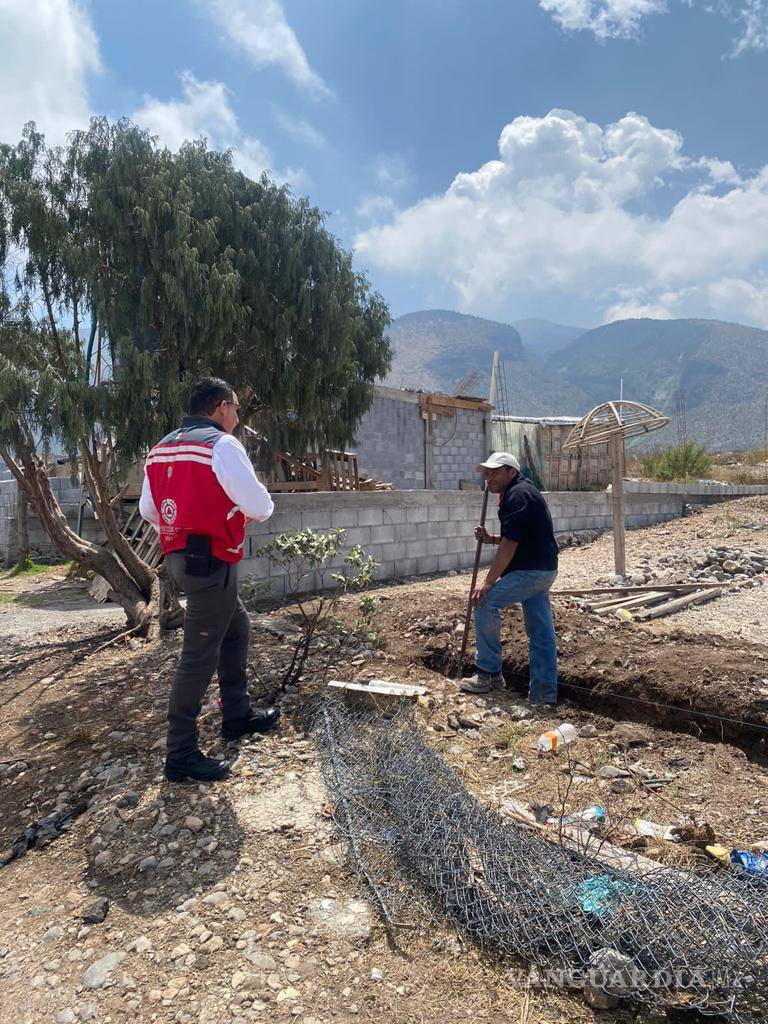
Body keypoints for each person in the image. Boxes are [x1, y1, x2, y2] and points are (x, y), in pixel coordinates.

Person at [140, 376, 279, 782]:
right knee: (197, 656)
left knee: (237, 628)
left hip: (180, 559)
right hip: (213, 561)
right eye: (235, 408)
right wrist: (249, 509)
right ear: (221, 407)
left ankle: (236, 714)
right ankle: (180, 753)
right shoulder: (221, 445)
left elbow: (150, 510)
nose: (236, 416)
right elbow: (258, 504)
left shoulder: (161, 448)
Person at [460, 451, 559, 706]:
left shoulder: (517, 495)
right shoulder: (519, 492)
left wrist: (488, 582)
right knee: (541, 633)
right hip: (543, 569)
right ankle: (544, 695)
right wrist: (491, 539)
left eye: (494, 472)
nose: (488, 478)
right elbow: (518, 536)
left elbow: (512, 542)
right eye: (487, 473)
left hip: (530, 571)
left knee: (484, 601)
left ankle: (489, 674)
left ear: (511, 472)